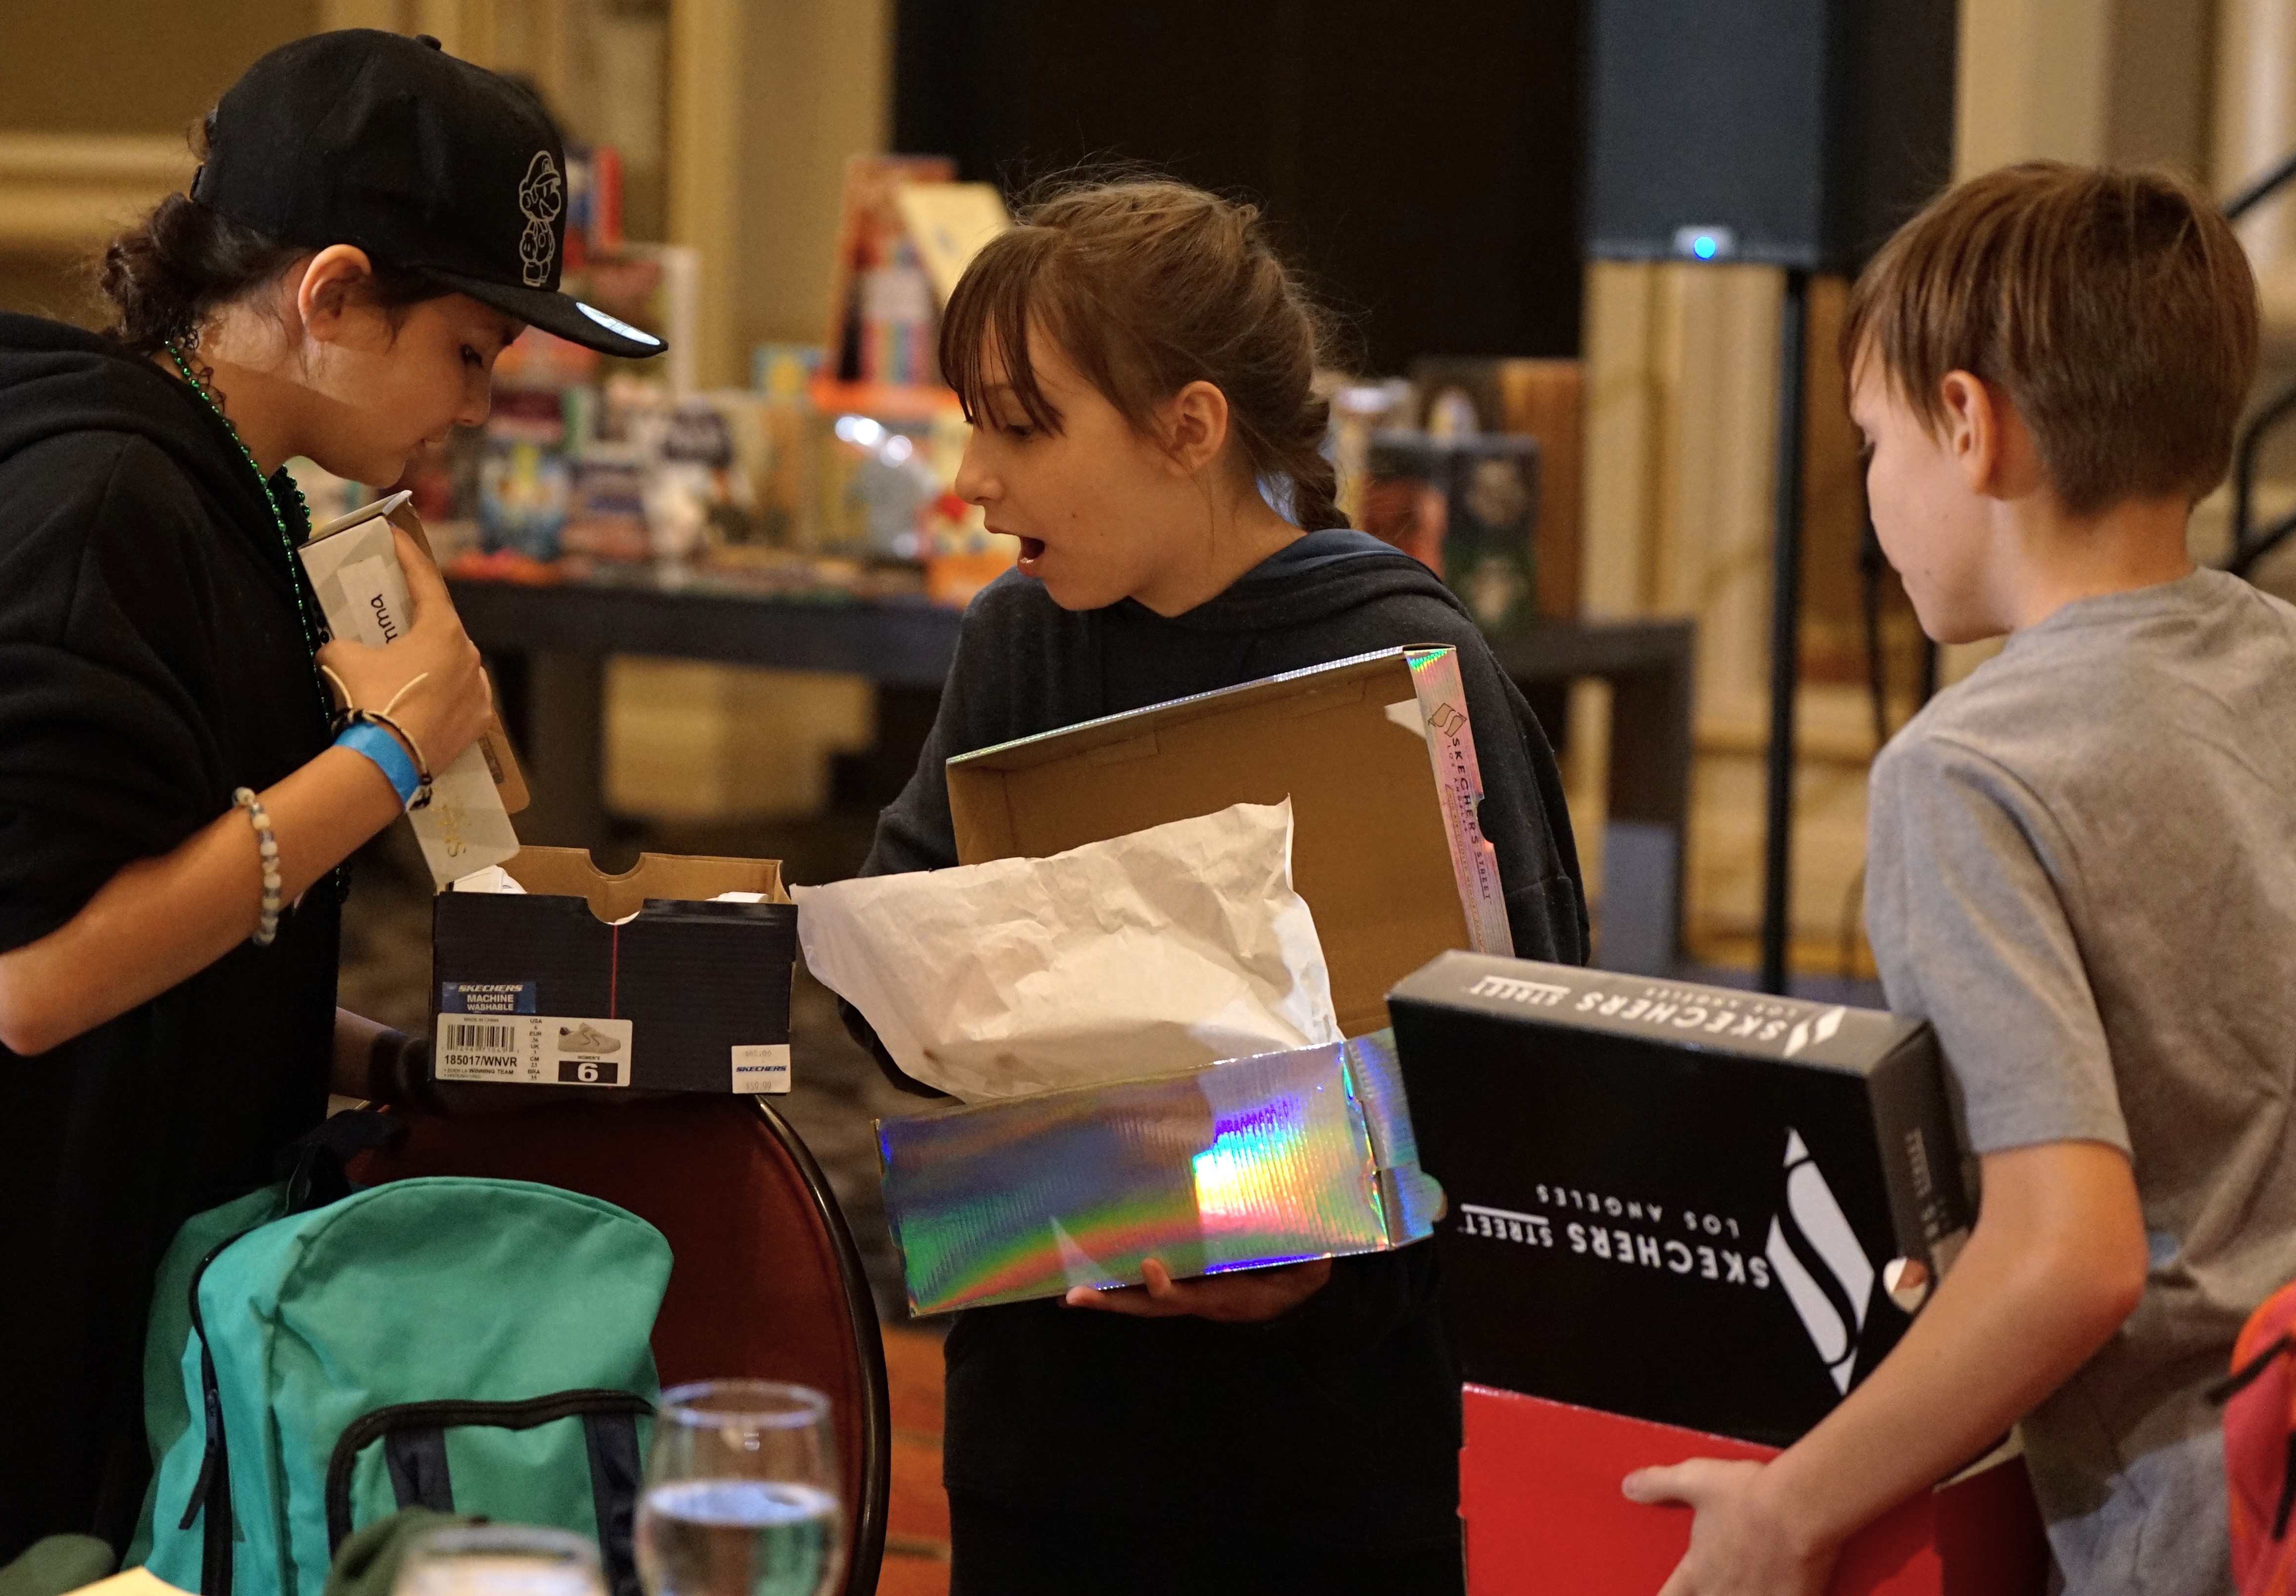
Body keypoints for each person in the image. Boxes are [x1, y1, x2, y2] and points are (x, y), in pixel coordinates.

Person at [0, 31, 664, 1563]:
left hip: (105, 1265)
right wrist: (381, 757)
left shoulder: (231, 494)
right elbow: (39, 978)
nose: (479, 403)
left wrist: (388, 1065)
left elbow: (173, 912)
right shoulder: (95, 507)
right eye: (470, 349)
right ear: (328, 295)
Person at [850, 176, 1588, 1595]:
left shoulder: (1403, 666)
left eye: (1023, 425)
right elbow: (903, 958)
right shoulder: (1019, 640)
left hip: (1322, 1469)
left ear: (1188, 429)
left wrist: (1318, 1257)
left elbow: (1525, 1092)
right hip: (1048, 1443)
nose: (972, 478)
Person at [1623, 163, 2296, 1595]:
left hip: (2189, 1534)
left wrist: (1788, 1510)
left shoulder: (1962, 773)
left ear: (1968, 425)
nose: (1873, 493)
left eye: (1874, 441)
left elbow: (2074, 1258)